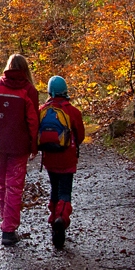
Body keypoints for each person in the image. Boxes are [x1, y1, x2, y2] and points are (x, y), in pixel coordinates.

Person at [0, 54, 40, 246]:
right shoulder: (28, 90)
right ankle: (9, 228)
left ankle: (6, 224)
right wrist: (33, 144)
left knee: (2, 184)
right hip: (19, 145)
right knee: (14, 186)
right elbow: (33, 121)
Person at [40, 75, 85, 249]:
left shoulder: (43, 109)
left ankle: (54, 221)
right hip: (67, 157)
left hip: (50, 158)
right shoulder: (73, 111)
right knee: (65, 191)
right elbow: (80, 135)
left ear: (50, 91)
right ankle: (61, 218)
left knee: (54, 189)